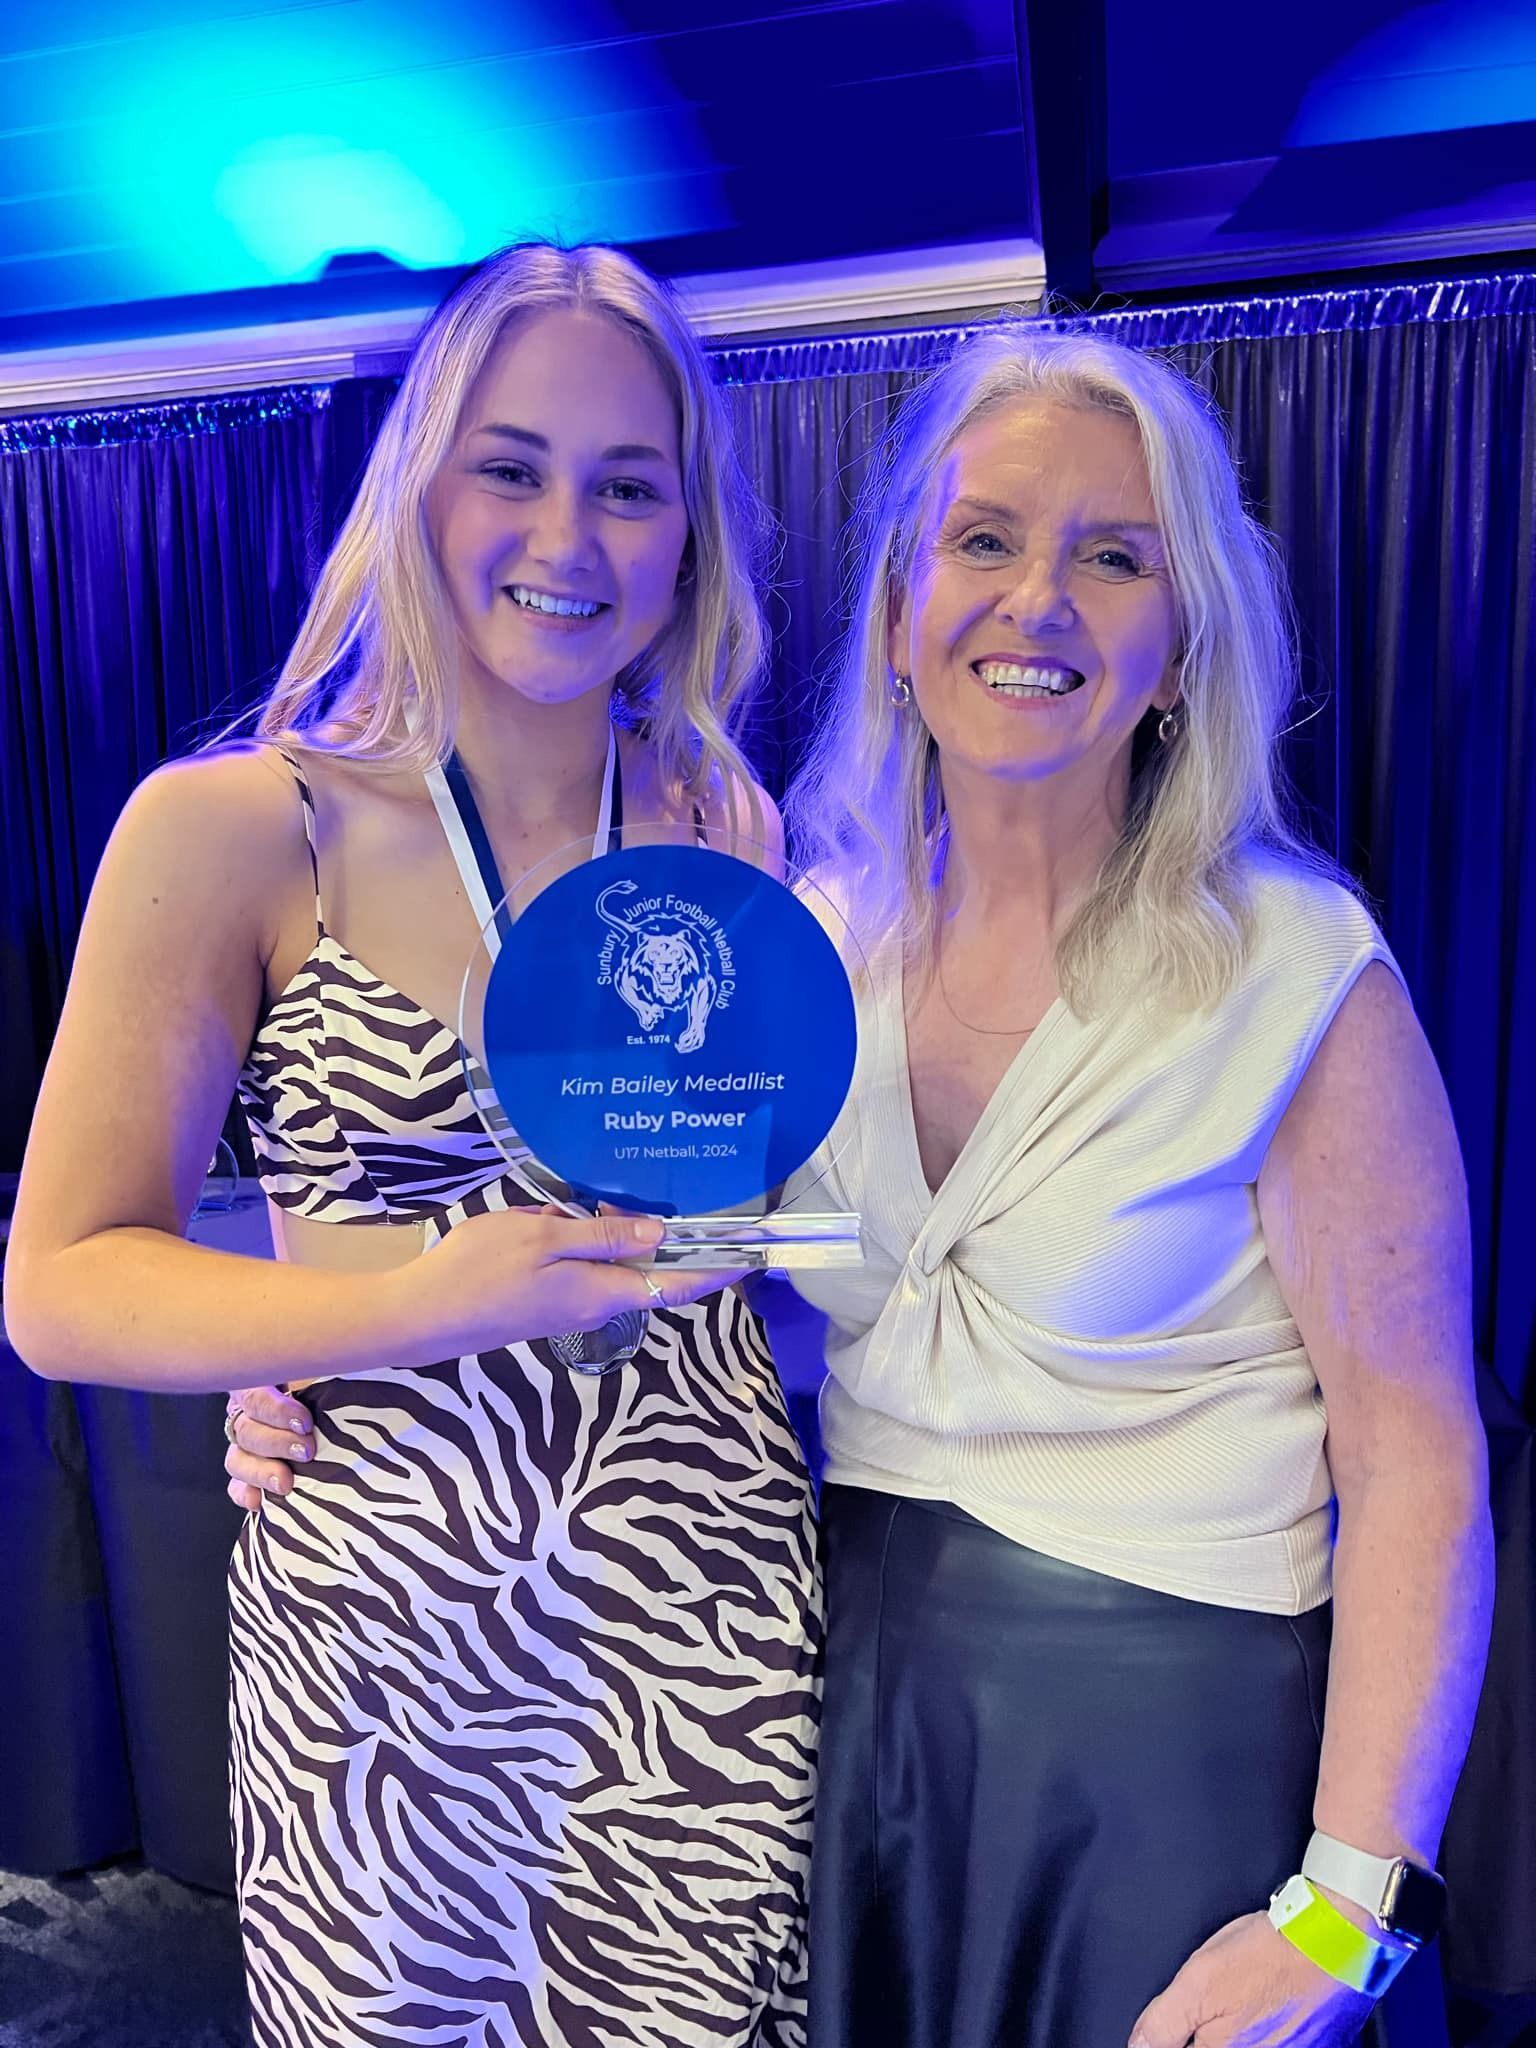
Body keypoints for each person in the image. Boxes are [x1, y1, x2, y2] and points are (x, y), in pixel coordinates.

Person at [226, 323, 1493, 2047]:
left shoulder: (1294, 968)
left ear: (1183, 644)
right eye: (984, 540)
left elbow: (1415, 1451)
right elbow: (643, 1279)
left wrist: (1349, 1910)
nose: (1035, 601)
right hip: (855, 1705)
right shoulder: (811, 950)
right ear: (901, 611)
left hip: (1177, 1742)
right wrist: (312, 1364)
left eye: (1112, 558)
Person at [8, 242, 821, 2048]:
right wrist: (394, 1310)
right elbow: (59, 1288)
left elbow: (733, 1224)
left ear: (689, 534)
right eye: (510, 467)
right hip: (389, 1637)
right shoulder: (238, 828)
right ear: (419, 484)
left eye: (630, 487)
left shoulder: (724, 826)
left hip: (698, 1598)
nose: (568, 536)